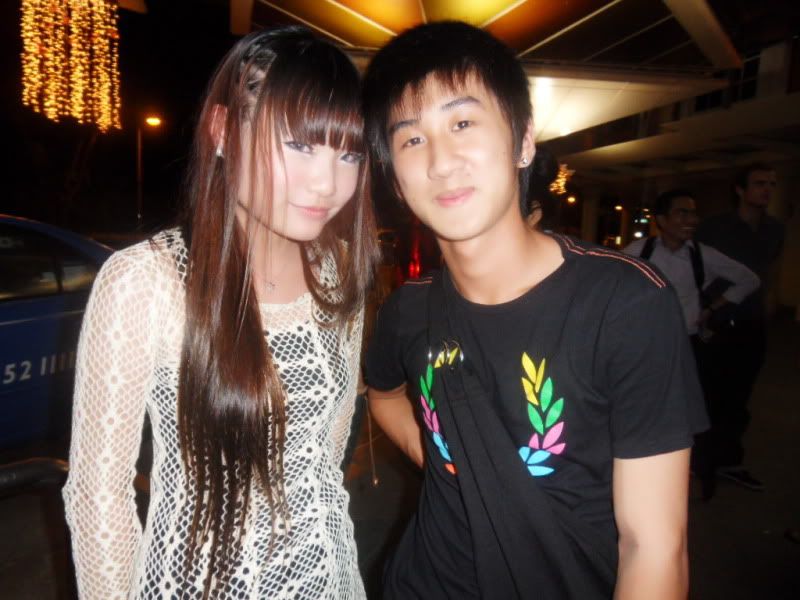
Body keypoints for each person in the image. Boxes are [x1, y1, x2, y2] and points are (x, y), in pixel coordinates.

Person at [362, 21, 707, 600]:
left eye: (462, 123)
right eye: (411, 140)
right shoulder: (409, 310)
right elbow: (383, 393)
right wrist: (458, 467)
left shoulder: (624, 304)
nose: (441, 162)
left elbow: (653, 547)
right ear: (395, 180)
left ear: (523, 141)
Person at [63, 27, 378, 599]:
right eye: (299, 144)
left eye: (349, 153)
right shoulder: (147, 281)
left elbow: (326, 462)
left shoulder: (337, 269)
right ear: (223, 131)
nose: (328, 183)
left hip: (329, 579)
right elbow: (98, 498)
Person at [624, 189, 759, 498]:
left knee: (695, 412)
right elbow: (611, 282)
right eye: (682, 213)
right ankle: (645, 471)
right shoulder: (639, 251)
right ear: (661, 220)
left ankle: (701, 473)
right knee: (645, 409)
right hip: (646, 346)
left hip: (689, 345)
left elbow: (749, 279)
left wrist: (712, 307)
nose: (692, 220)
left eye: (694, 213)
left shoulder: (701, 255)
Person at [695, 164, 784, 491]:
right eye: (759, 183)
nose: (767, 189)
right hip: (716, 321)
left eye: (771, 183)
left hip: (752, 322)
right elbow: (696, 271)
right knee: (708, 393)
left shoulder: (775, 229)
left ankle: (729, 461)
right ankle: (699, 461)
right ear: (740, 189)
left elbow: (768, 271)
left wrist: (767, 307)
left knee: (739, 397)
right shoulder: (714, 227)